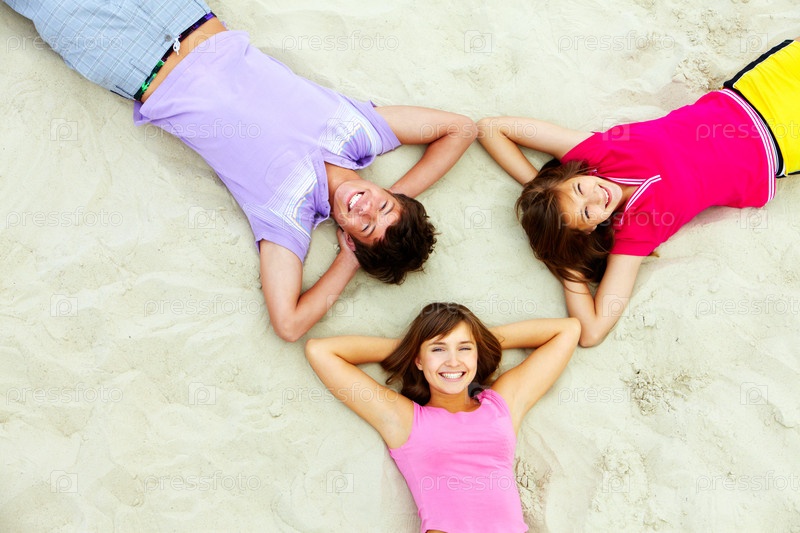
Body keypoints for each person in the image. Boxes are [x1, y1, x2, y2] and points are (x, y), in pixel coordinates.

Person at [5, 1, 477, 342]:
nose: (366, 208)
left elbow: (289, 324)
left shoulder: (287, 217)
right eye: (385, 207)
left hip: (124, 54)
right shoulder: (360, 133)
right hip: (180, 14)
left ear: (350, 237)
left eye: (367, 227)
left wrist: (348, 261)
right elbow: (461, 129)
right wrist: (398, 196)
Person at [477, 38, 799, 347]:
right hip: (781, 146)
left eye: (579, 189)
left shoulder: (595, 154)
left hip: (755, 93)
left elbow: (490, 128)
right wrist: (567, 266)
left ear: (573, 176)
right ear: (589, 230)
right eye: (586, 212)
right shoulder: (634, 233)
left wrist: (537, 186)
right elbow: (592, 331)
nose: (595, 197)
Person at [305, 303, 580, 532]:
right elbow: (321, 352)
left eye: (464, 348)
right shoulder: (406, 420)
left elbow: (567, 330)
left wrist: (479, 338)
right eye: (438, 349)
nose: (453, 361)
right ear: (419, 360)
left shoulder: (501, 405)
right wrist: (412, 347)